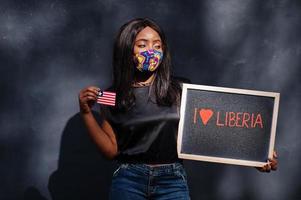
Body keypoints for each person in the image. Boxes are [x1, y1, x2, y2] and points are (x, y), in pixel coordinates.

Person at [78, 18, 278, 200]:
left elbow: (216, 129)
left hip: (171, 180)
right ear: (127, 49)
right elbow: (110, 150)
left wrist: (256, 156)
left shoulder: (181, 90)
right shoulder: (112, 96)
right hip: (129, 180)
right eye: (142, 45)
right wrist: (86, 113)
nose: (152, 51)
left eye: (157, 45)